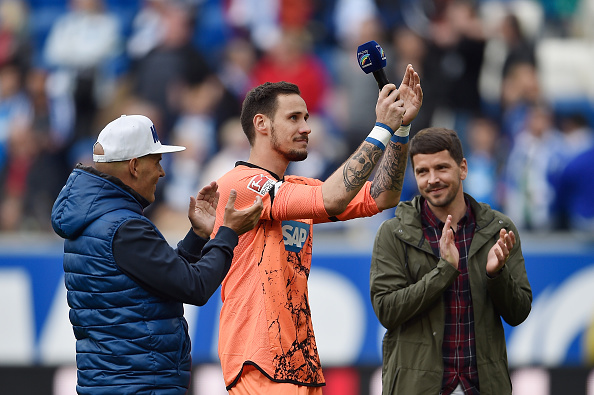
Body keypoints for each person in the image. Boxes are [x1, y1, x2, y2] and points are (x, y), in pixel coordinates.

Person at [211, 64, 423, 394]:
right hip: (259, 363)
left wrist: (400, 131)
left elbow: (383, 195)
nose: (306, 127)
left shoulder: (297, 187)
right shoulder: (242, 185)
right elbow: (334, 197)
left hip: (301, 367)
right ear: (261, 123)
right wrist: (381, 127)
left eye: (307, 118)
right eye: (294, 118)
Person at [50, 114, 263, 395]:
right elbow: (195, 287)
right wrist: (229, 232)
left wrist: (198, 236)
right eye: (157, 161)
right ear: (135, 166)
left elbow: (160, 282)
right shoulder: (124, 227)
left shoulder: (95, 219)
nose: (162, 172)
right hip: (140, 384)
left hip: (115, 382)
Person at [370, 127, 532, 394]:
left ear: (463, 168)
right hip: (418, 388)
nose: (432, 179)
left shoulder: (499, 228)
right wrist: (444, 271)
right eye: (422, 171)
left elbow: (519, 312)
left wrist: (497, 275)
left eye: (441, 168)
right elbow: (387, 310)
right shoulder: (393, 233)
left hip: (482, 386)